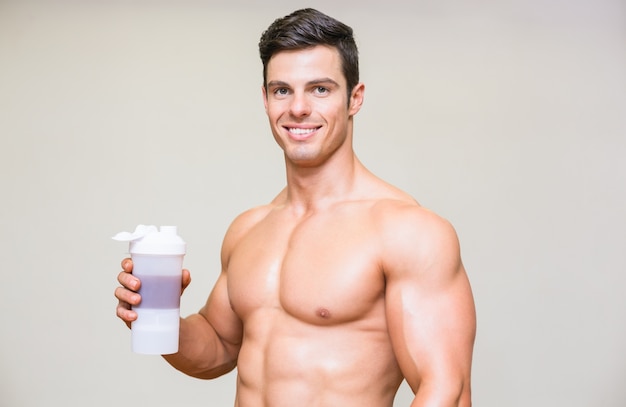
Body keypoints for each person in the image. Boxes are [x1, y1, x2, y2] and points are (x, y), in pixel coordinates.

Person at [115, 8, 476, 407]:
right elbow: (217, 348)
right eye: (282, 90)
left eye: (320, 89)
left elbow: (446, 390)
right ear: (266, 99)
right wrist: (157, 314)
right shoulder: (248, 229)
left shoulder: (406, 231)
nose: (298, 108)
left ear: (354, 98)